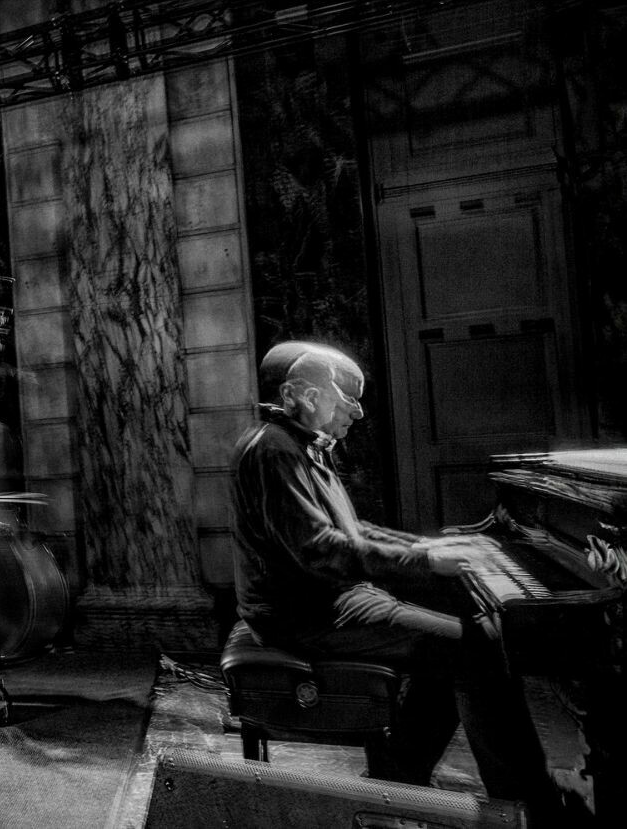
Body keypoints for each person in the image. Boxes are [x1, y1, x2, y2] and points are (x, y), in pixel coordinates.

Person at [231, 341, 563, 823]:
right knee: (478, 646)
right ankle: (526, 809)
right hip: (307, 615)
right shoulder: (275, 453)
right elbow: (321, 550)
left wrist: (423, 550)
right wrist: (426, 566)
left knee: (457, 635)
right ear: (301, 394)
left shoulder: (301, 445)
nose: (359, 411)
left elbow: (355, 531)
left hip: (327, 599)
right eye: (347, 397)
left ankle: (398, 782)